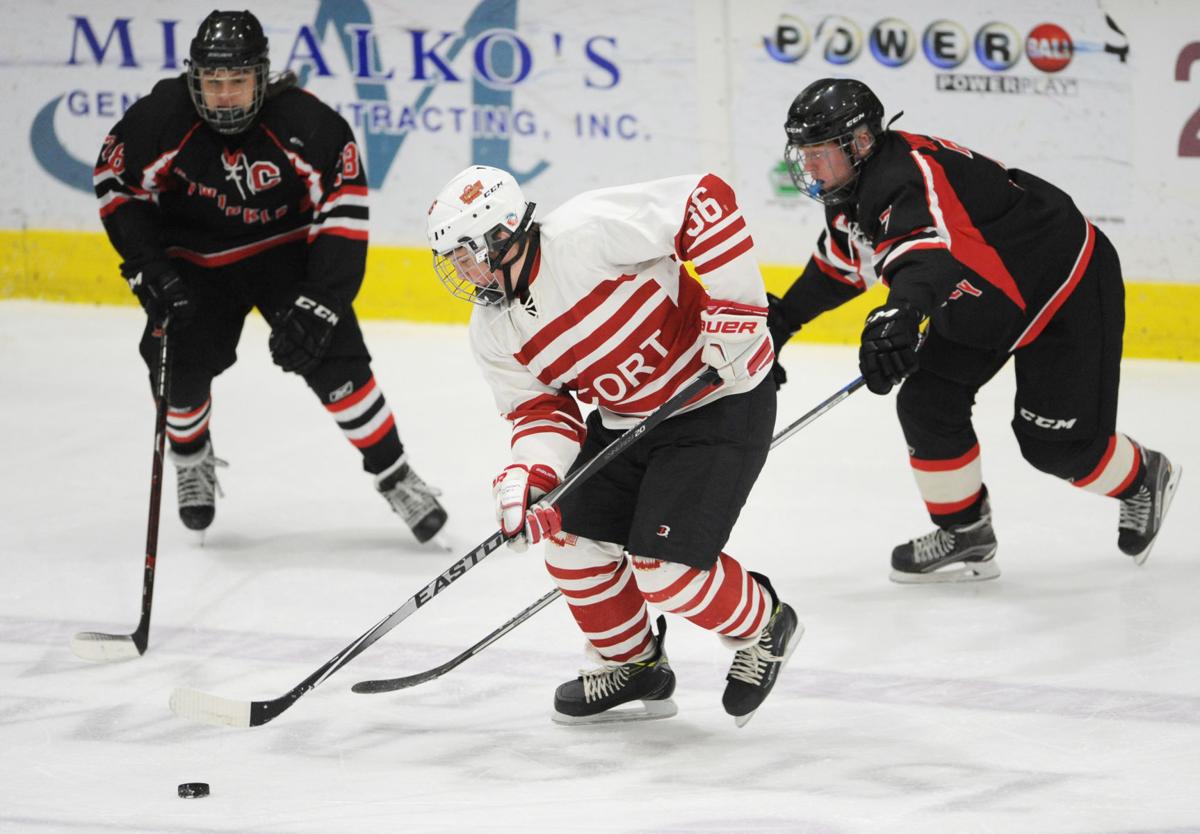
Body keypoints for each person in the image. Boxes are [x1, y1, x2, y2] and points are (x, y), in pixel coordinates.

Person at [425, 165, 800, 725]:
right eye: (453, 261)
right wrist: (531, 476)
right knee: (570, 545)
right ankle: (636, 665)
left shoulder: (586, 232)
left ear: (502, 235)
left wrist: (738, 310)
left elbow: (703, 199)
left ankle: (766, 624)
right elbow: (541, 411)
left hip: (719, 398)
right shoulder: (493, 330)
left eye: (467, 255)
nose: (462, 272)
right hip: (626, 422)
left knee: (666, 572)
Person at [769, 77, 1182, 583]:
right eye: (804, 154)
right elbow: (842, 268)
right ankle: (966, 532)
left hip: (1061, 285)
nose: (809, 166)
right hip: (981, 297)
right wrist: (781, 322)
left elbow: (925, 258)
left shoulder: (906, 177)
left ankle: (1143, 477)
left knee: (1055, 446)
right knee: (928, 403)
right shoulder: (851, 192)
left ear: (859, 142)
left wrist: (900, 314)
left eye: (818, 153)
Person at [92, 10, 446, 543]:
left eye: (237, 81)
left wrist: (322, 299)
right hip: (196, 263)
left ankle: (395, 474)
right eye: (213, 82)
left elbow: (344, 212)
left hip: (286, 258)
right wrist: (147, 266)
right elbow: (115, 182)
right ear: (194, 78)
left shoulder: (308, 126)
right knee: (176, 366)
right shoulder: (160, 119)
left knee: (337, 361)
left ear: (262, 78)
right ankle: (191, 455)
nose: (225, 96)